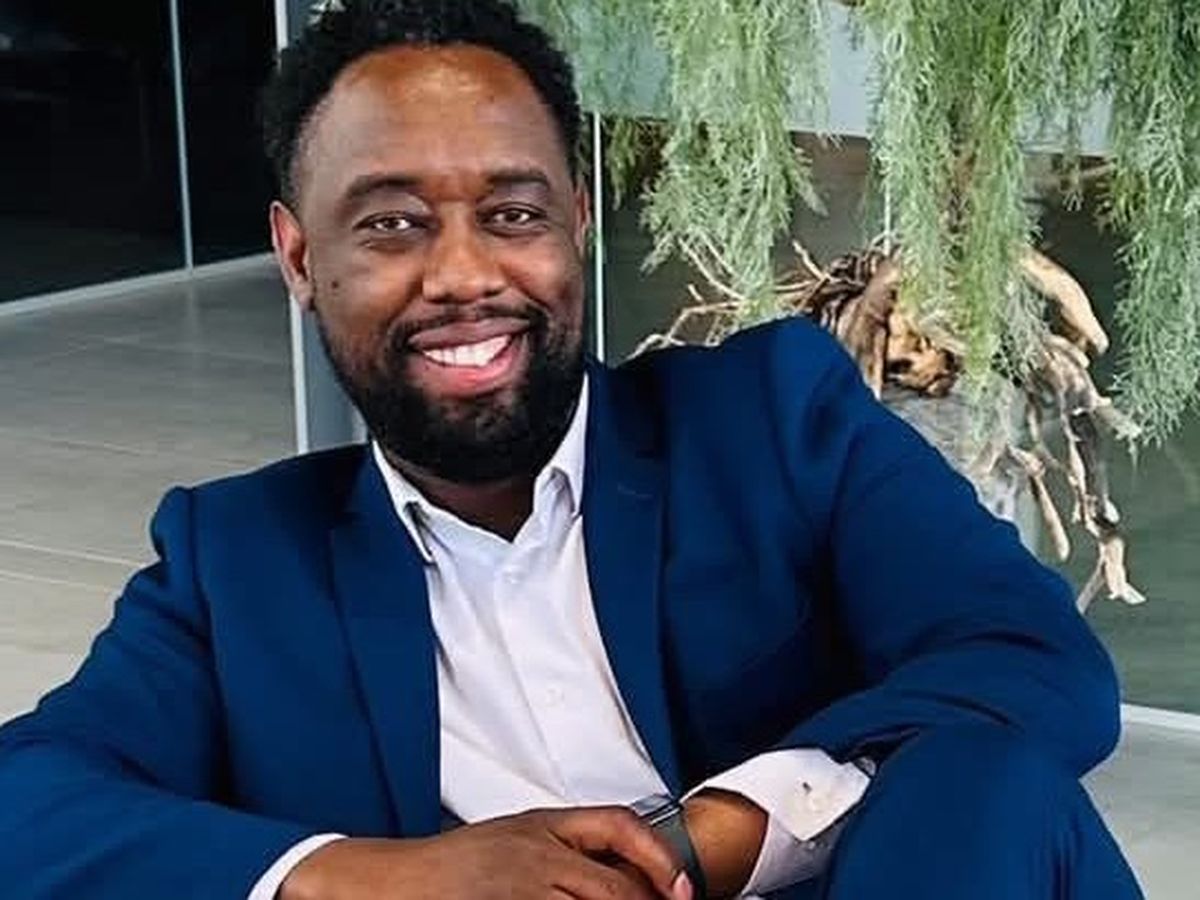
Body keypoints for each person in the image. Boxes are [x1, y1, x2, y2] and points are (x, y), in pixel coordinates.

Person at [0, 1, 1142, 898]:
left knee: (990, 776)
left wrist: (706, 836)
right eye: (392, 224)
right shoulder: (240, 559)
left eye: (513, 214)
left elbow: (1032, 660)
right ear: (300, 259)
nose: (464, 276)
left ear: (577, 223)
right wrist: (380, 877)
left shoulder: (769, 422)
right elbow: (29, 802)